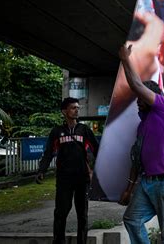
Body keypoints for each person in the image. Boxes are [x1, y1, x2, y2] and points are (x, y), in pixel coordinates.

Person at [118, 41, 164, 243]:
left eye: (141, 99)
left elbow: (137, 86)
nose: (138, 102)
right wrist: (129, 189)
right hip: (147, 182)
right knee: (132, 219)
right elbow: (137, 159)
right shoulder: (143, 125)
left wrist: (125, 59)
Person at [36, 97, 99, 244]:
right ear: (64, 111)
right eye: (73, 108)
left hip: (82, 179)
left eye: (78, 107)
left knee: (82, 214)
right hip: (64, 179)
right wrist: (41, 171)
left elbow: (97, 150)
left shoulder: (84, 130)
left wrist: (102, 170)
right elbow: (48, 153)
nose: (77, 110)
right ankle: (59, 241)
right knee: (60, 213)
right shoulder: (56, 132)